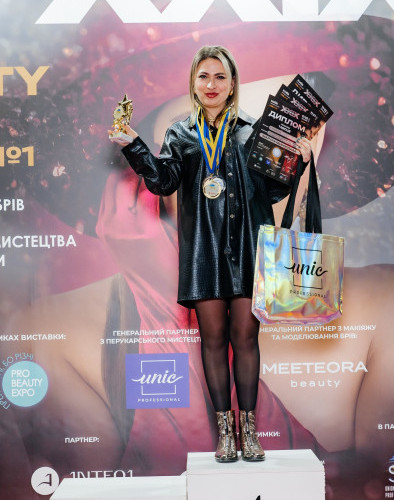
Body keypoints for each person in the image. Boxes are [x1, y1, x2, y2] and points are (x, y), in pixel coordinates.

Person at [110, 45, 312, 462]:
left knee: (246, 339)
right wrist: (134, 146)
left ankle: (248, 431)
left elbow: (275, 191)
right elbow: (164, 182)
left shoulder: (255, 130)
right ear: (194, 83)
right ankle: (225, 433)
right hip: (204, 252)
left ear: (232, 83)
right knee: (213, 341)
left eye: (220, 76)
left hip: (248, 249)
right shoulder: (181, 134)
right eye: (204, 76)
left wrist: (297, 160)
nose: (212, 84)